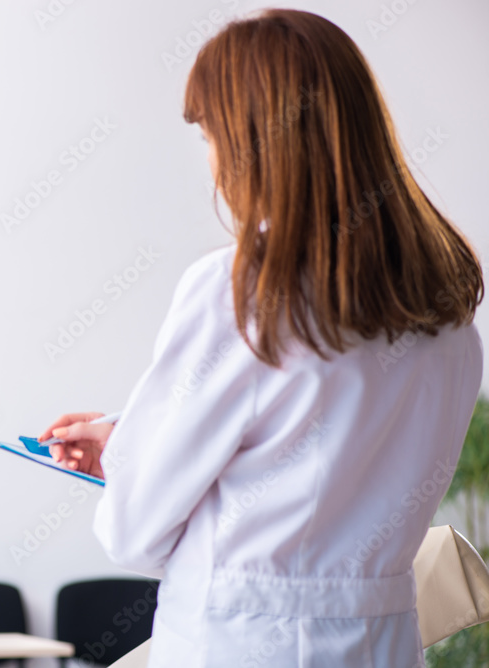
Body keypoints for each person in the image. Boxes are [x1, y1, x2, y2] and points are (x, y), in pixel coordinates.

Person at [40, 9, 482, 667]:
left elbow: (136, 530)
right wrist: (132, 439)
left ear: (254, 141)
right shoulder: (447, 313)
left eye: (212, 136)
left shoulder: (244, 290)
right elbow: (324, 457)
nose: (213, 164)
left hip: (240, 643)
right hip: (382, 645)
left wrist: (135, 457)